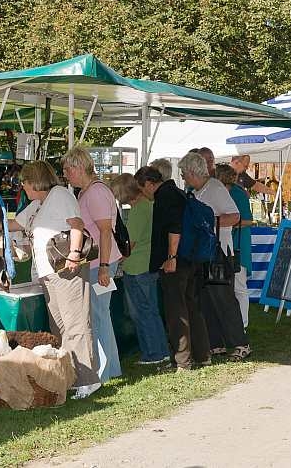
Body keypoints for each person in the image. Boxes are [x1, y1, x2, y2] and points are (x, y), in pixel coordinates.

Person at [9, 161, 100, 398]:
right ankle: (69, 375)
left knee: (76, 325)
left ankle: (88, 380)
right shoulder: (38, 204)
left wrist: (74, 253)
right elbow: (14, 224)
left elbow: (77, 225)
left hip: (66, 269)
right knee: (60, 327)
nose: (23, 187)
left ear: (34, 181)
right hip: (48, 274)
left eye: (25, 182)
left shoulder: (60, 195)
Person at [179, 152, 251, 361]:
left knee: (224, 298)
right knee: (207, 300)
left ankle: (241, 343)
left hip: (219, 251)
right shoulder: (196, 190)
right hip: (204, 252)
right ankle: (216, 343)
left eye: (184, 174)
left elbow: (235, 216)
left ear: (193, 172)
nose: (183, 178)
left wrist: (209, 222)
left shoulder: (216, 188)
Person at [138, 165, 211, 372]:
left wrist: (171, 257)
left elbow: (174, 228)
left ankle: (183, 362)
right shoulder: (178, 191)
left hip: (176, 262)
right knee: (191, 306)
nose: (143, 193)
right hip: (190, 258)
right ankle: (202, 355)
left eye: (142, 188)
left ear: (150, 184)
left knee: (176, 312)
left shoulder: (165, 196)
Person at [62, 147, 122, 384]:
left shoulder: (95, 193)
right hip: (99, 262)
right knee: (101, 316)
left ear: (78, 168)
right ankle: (111, 369)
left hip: (101, 263)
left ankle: (103, 373)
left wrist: (105, 267)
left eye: (67, 169)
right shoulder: (88, 191)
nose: (65, 174)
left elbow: (106, 232)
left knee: (98, 318)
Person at [110, 172, 170, 365]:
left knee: (142, 312)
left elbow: (129, 245)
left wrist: (112, 259)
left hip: (137, 268)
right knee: (151, 310)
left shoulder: (138, 210)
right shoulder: (149, 206)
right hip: (147, 265)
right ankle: (161, 350)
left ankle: (153, 353)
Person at [216, 164, 254, 327]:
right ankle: (226, 323)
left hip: (237, 244)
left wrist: (228, 223)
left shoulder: (238, 194)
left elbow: (248, 220)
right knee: (222, 286)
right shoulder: (218, 193)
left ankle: (243, 324)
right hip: (222, 244)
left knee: (238, 285)